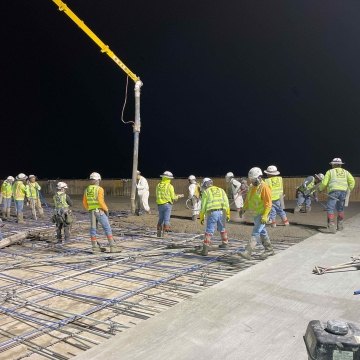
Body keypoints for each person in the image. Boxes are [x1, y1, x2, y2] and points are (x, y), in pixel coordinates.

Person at [239, 167, 274, 260]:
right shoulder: (251, 187)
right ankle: (269, 249)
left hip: (263, 214)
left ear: (259, 177)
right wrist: (243, 209)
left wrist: (265, 215)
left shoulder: (264, 187)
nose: (252, 181)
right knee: (262, 232)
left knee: (255, 232)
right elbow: (248, 199)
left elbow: (268, 203)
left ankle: (248, 252)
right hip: (256, 214)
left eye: (254, 180)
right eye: (251, 180)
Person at [83, 172, 121, 253]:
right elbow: (100, 201)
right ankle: (113, 246)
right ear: (97, 180)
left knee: (93, 229)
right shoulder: (99, 189)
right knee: (107, 227)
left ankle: (95, 247)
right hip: (99, 211)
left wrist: (89, 209)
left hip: (91, 211)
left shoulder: (87, 190)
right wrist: (106, 209)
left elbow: (84, 202)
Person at [318, 158, 355, 233]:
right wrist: (349, 189)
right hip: (343, 192)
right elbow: (352, 181)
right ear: (341, 164)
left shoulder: (330, 172)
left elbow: (324, 183)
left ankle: (331, 224)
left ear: (333, 164)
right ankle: (340, 225)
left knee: (330, 208)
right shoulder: (346, 172)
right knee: (340, 209)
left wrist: (320, 189)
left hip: (333, 192)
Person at [199, 178, 230, 256]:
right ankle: (225, 243)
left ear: (205, 184)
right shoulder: (221, 190)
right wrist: (228, 213)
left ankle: (205, 249)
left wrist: (202, 216)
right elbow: (226, 202)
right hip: (222, 212)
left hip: (212, 212)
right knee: (222, 228)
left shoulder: (206, 192)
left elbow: (203, 205)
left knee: (209, 230)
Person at [155, 171, 184, 237]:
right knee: (166, 219)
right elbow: (173, 197)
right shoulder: (170, 186)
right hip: (167, 205)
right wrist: (178, 196)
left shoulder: (158, 185)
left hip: (159, 204)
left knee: (160, 219)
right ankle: (165, 234)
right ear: (168, 178)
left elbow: (157, 194)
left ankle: (158, 233)